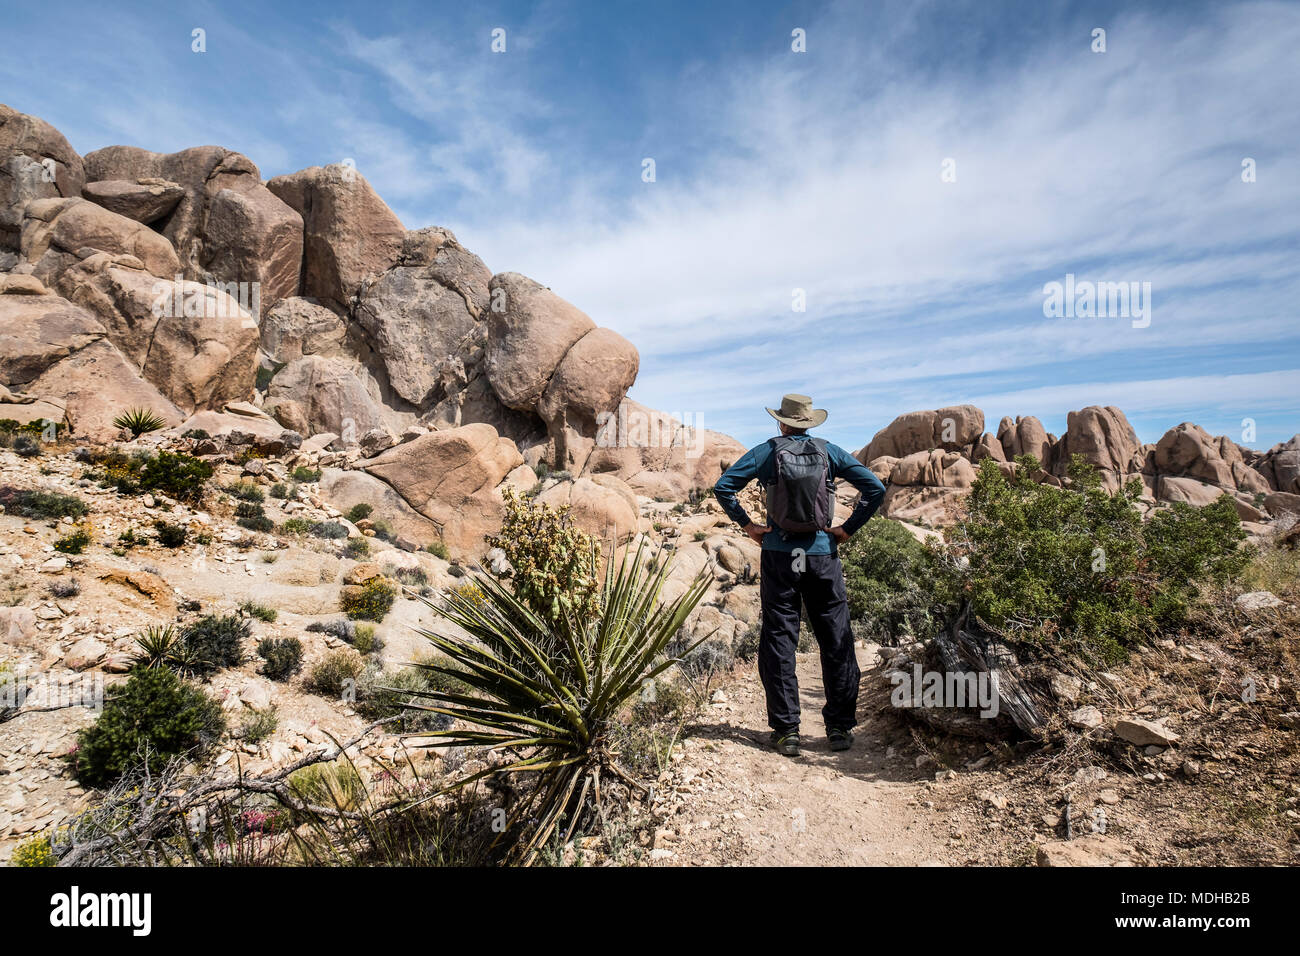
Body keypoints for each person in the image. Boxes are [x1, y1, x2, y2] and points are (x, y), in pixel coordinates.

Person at [713, 394, 886, 757]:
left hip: (780, 554)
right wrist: (847, 529)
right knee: (836, 637)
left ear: (781, 422)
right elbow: (875, 488)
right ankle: (839, 728)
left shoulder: (767, 452)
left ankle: (787, 730)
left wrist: (748, 526)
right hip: (822, 556)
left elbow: (724, 487)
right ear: (810, 423)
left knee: (780, 638)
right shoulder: (829, 452)